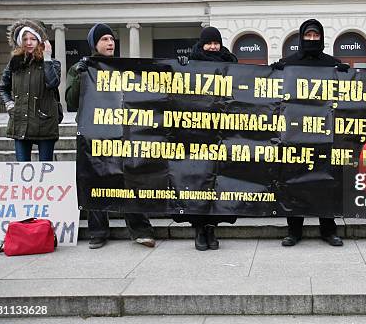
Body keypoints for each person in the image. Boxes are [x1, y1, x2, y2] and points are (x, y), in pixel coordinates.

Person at [66, 23, 156, 250]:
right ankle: (98, 232)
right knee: (94, 180)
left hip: (119, 133)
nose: (110, 43)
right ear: (94, 43)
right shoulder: (80, 67)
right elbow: (71, 102)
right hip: (91, 135)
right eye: (104, 39)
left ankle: (140, 230)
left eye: (112, 39)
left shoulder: (121, 67)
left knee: (127, 181)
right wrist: (79, 76)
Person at [273, 19, 346, 247]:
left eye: (316, 36)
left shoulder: (332, 63)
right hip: (295, 135)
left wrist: (344, 74)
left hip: (324, 135)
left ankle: (329, 230)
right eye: (308, 36)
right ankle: (294, 231)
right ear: (301, 37)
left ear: (321, 38)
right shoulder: (288, 64)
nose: (312, 40)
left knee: (327, 182)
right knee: (294, 182)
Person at [172, 26, 238, 251]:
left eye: (216, 43)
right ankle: (199, 229)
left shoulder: (231, 63)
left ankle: (211, 228)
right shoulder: (189, 64)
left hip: (221, 134)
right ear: (201, 44)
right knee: (197, 181)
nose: (212, 47)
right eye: (209, 43)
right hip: (196, 135)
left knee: (217, 183)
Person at [0, 20, 61, 161]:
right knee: (22, 171)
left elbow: (53, 83)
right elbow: (3, 87)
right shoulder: (14, 62)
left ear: (39, 40)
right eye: (25, 39)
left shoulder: (52, 63)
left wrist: (47, 58)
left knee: (46, 170)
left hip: (45, 123)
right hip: (20, 122)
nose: (29, 42)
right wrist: (9, 104)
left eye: (33, 39)